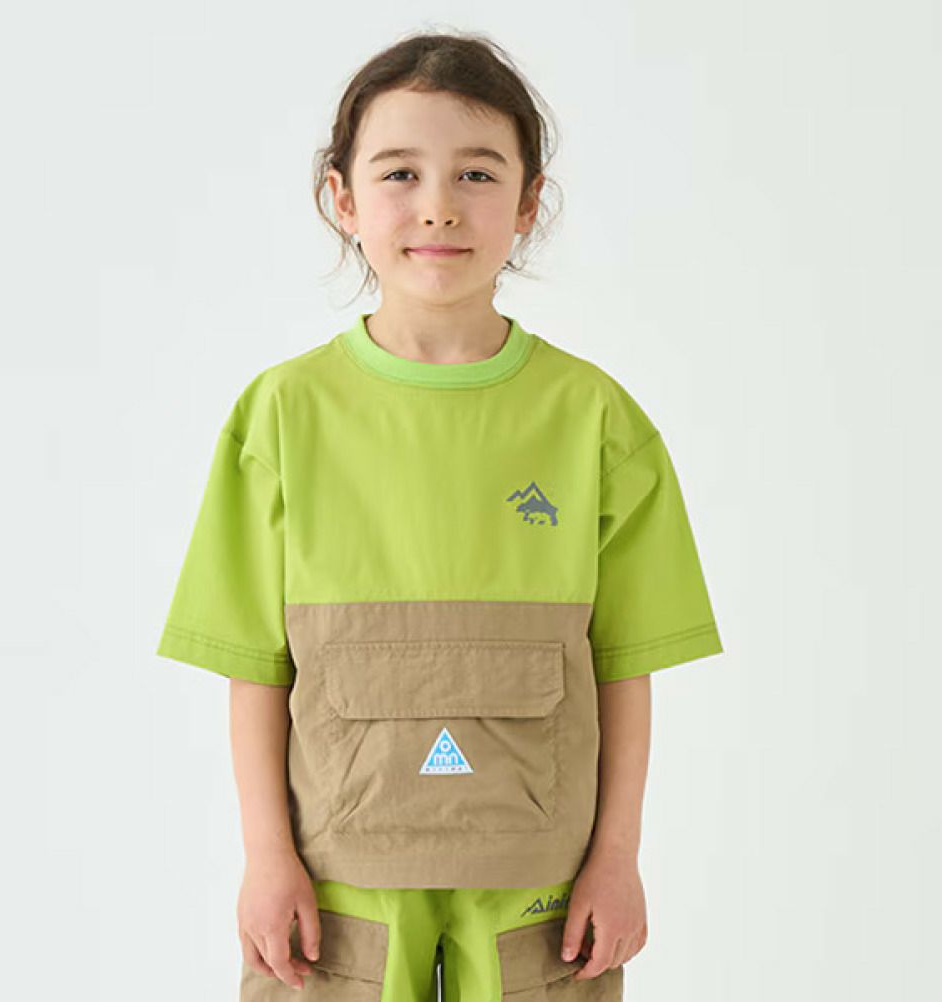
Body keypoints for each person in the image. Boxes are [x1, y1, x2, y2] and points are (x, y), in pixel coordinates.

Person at [156, 28, 724, 1002]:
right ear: (342, 198)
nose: (437, 207)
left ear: (529, 202)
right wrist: (266, 858)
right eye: (399, 173)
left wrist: (618, 858)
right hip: (339, 879)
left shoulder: (594, 420)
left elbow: (625, 665)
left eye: (476, 174)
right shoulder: (282, 416)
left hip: (541, 881)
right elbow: (255, 666)